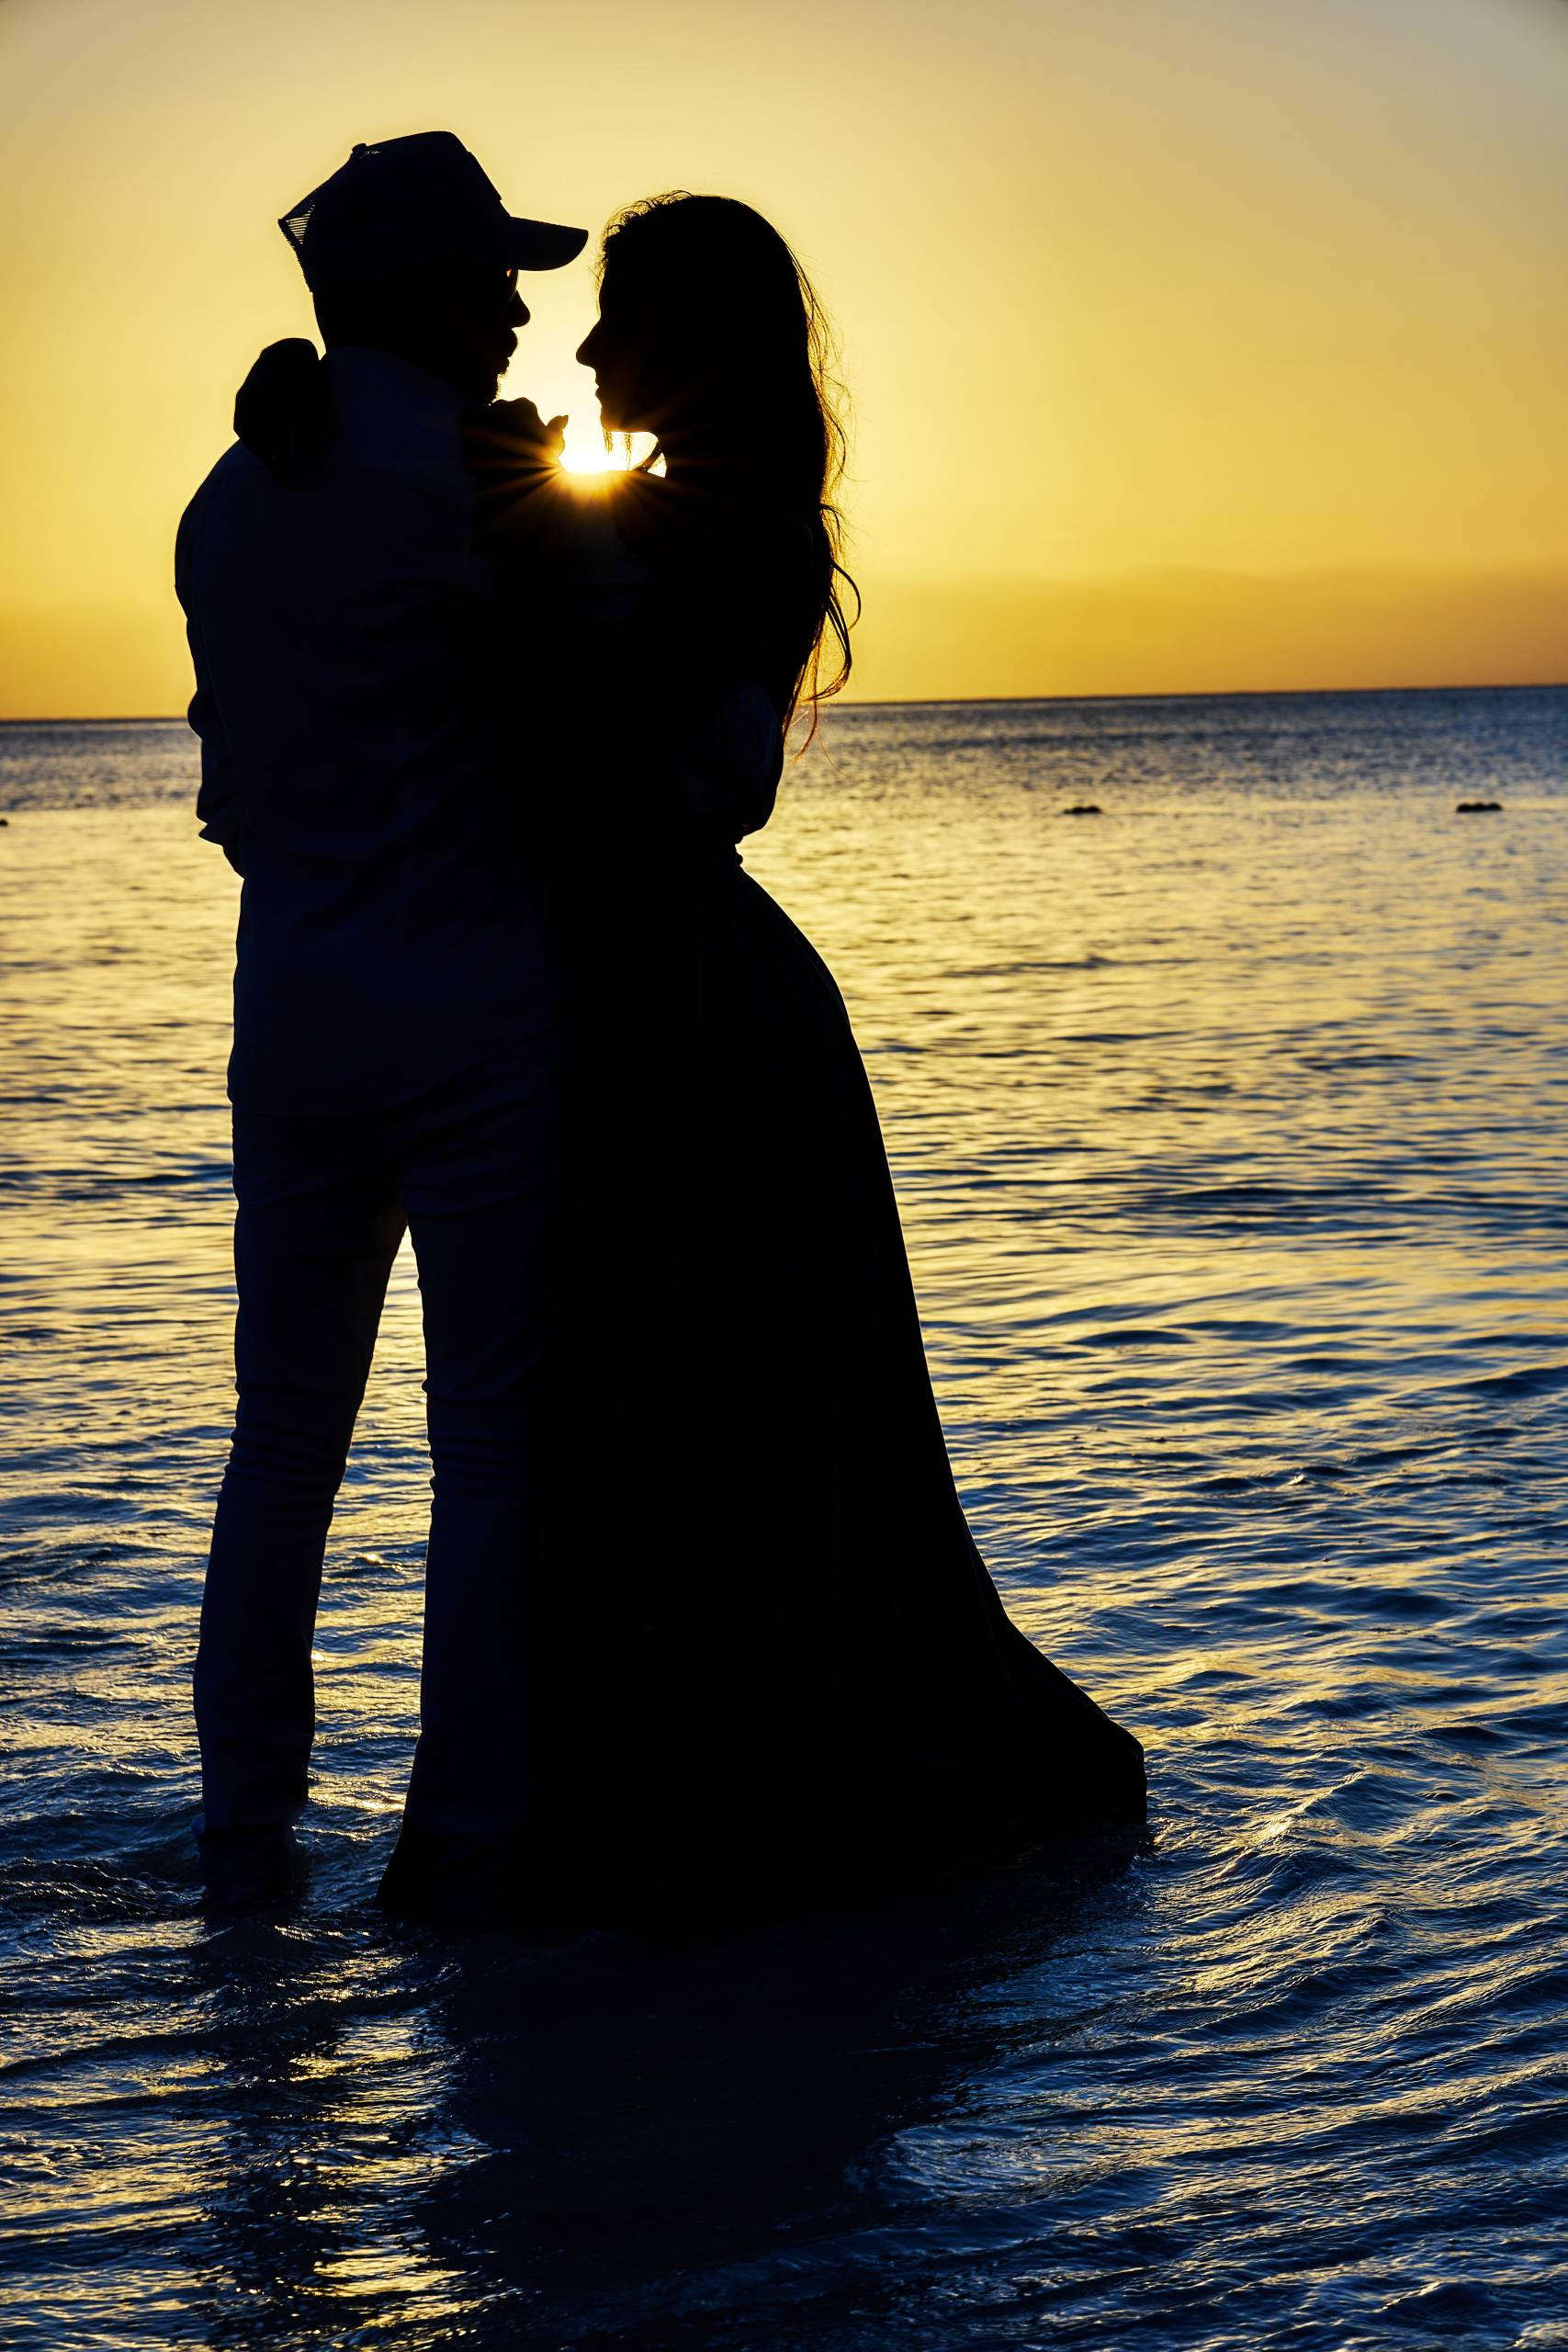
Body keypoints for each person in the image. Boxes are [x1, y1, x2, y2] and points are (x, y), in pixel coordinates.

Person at [398, 195, 1146, 1917]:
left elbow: (669, 745)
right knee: (678, 1408)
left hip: (696, 1014)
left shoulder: (723, 539)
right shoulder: (640, 517)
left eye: (621, 319)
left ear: (694, 342)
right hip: (648, 995)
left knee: (726, 1409)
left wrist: (506, 501)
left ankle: (717, 1814)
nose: (589, 349)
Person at [175, 133, 590, 1911]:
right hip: (475, 1010)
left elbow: (233, 801)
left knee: (283, 1439)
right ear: (422, 292)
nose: (517, 312)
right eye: (494, 279)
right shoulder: (478, 485)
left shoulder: (225, 502)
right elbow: (601, 727)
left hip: (296, 1008)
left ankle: (244, 1833)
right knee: (485, 1436)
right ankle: (472, 1833)